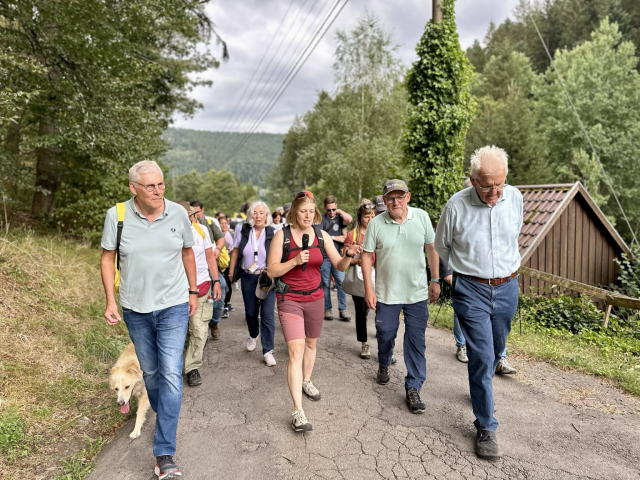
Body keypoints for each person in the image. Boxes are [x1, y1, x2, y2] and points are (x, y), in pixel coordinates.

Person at [100, 160, 197, 479]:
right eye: (150, 186)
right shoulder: (118, 216)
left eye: (161, 184)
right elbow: (107, 257)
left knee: (170, 373)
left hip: (173, 306)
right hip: (135, 309)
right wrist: (110, 300)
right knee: (153, 373)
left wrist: (193, 291)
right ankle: (163, 409)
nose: (158, 191)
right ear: (134, 188)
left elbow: (187, 252)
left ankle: (164, 452)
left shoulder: (179, 214)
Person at [435, 145, 523, 460]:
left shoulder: (515, 198)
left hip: (508, 287)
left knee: (497, 347)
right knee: (482, 357)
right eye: (487, 186)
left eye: (499, 185)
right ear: (473, 180)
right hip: (470, 289)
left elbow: (514, 234)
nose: (495, 193)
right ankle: (486, 425)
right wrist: (463, 274)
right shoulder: (455, 206)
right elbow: (441, 246)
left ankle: (481, 384)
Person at [267, 191, 361, 432]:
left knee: (311, 344)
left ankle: (306, 381)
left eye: (311, 211)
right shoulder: (283, 236)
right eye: (302, 211)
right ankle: (298, 411)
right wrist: (294, 261)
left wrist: (348, 256)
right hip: (290, 298)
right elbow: (272, 271)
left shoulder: (322, 236)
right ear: (294, 212)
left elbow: (339, 265)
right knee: (295, 350)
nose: (307, 215)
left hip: (317, 297)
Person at [361, 179, 440, 415]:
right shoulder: (376, 223)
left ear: (408, 197)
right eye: (390, 197)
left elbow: (431, 249)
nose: (395, 201)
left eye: (400, 196)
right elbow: (366, 256)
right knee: (385, 333)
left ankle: (413, 387)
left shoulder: (422, 217)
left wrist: (435, 280)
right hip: (387, 293)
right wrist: (368, 288)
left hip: (416, 293)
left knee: (416, 341)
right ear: (384, 201)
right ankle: (384, 363)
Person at [177, 202, 222, 386]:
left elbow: (210, 256)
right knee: (180, 332)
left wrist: (216, 280)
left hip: (202, 286)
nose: (189, 219)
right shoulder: (168, 232)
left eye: (190, 215)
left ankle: (192, 368)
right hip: (177, 291)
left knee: (199, 329)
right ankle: (178, 365)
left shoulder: (201, 230)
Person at [229, 201, 277, 367]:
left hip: (266, 277)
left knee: (268, 314)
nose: (258, 216)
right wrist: (231, 272)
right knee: (251, 313)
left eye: (261, 213)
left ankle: (268, 350)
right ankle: (253, 333)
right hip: (248, 276)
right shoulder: (243, 230)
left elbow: (278, 254)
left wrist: (273, 269)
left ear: (266, 215)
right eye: (255, 213)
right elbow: (235, 250)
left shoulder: (273, 231)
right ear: (250, 215)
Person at [344, 201, 377, 359]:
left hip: (378, 276)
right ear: (360, 217)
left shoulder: (379, 232)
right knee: (361, 311)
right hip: (359, 277)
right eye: (366, 216)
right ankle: (364, 343)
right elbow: (344, 258)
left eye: (372, 216)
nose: (370, 219)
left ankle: (385, 341)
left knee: (381, 309)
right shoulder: (353, 235)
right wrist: (358, 260)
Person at [320, 195, 353, 321]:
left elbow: (349, 219)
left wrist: (340, 212)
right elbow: (318, 236)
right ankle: (327, 310)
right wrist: (335, 238)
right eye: (329, 210)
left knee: (341, 282)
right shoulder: (321, 219)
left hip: (338, 256)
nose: (331, 212)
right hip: (324, 257)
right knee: (325, 284)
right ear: (325, 209)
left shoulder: (339, 218)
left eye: (333, 209)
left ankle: (343, 310)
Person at [219, 215, 235, 318]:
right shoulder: (217, 235)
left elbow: (235, 249)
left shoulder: (231, 234)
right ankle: (223, 306)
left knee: (229, 284)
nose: (224, 225)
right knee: (223, 285)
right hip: (221, 264)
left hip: (230, 263)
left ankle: (227, 302)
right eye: (221, 223)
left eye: (225, 223)